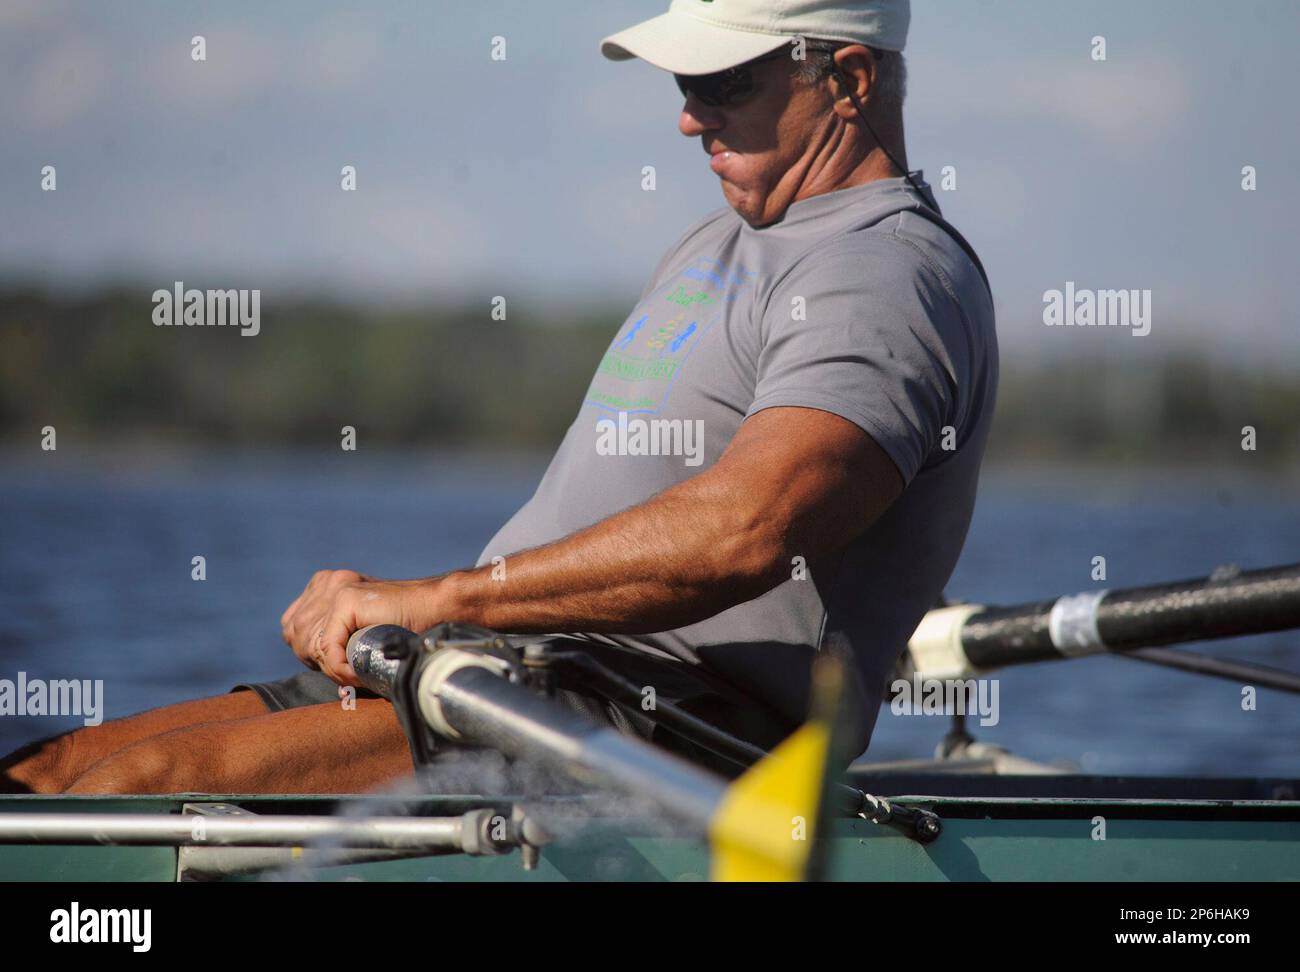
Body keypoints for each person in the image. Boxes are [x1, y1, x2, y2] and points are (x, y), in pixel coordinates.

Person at [2, 0, 997, 795]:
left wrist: (439, 597)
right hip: (506, 671)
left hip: (664, 719)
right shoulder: (722, 245)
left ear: (850, 79)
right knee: (47, 775)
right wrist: (439, 621)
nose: (688, 113)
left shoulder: (881, 275)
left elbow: (750, 528)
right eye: (684, 81)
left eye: (722, 80)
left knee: (143, 787)